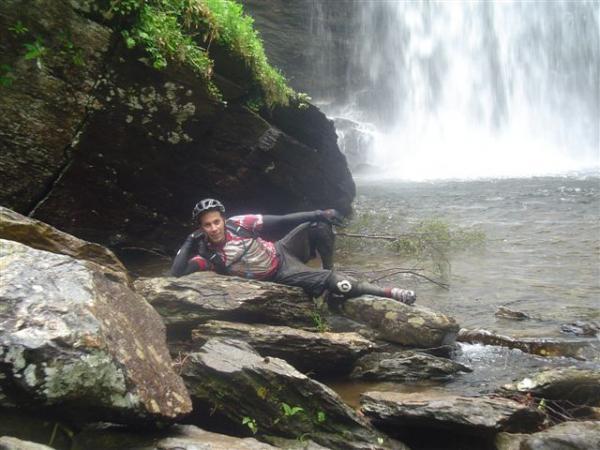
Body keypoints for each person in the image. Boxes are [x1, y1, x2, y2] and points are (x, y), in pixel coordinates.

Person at [170, 198, 416, 305]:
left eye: (216, 221)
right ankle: (391, 293)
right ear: (200, 227)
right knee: (339, 284)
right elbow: (177, 273)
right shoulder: (209, 256)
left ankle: (329, 269)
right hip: (278, 273)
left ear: (223, 219)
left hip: (283, 248)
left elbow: (282, 220)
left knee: (319, 226)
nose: (213, 228)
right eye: (206, 225)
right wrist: (190, 241)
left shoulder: (240, 223)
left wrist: (319, 213)